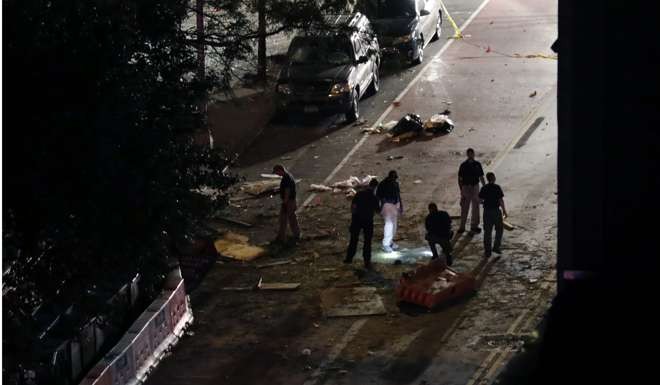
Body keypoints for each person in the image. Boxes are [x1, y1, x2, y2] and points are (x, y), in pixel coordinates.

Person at [344, 179, 380, 269]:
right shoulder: (374, 198)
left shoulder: (359, 194)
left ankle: (349, 258)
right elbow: (378, 211)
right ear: (375, 187)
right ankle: (367, 262)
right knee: (367, 242)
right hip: (368, 221)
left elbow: (353, 207)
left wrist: (354, 216)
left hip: (357, 220)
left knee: (353, 240)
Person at [479, 172, 508, 258]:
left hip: (487, 212)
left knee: (487, 231)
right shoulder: (497, 187)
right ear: (494, 178)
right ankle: (496, 247)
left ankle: (487, 251)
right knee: (499, 229)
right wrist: (504, 210)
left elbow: (480, 200)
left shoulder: (484, 188)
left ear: (487, 179)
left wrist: (485, 203)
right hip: (496, 211)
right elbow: (501, 200)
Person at [458, 148, 486, 234]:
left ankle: (474, 226)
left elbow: (481, 176)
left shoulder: (477, 164)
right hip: (466, 187)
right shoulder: (463, 165)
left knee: (476, 207)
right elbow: (460, 179)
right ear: (467, 155)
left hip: (475, 187)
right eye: (469, 154)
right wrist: (461, 190)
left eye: (472, 154)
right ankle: (462, 226)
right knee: (464, 207)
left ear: (473, 154)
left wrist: (484, 187)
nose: (470, 155)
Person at [272, 164, 300, 243]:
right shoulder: (287, 176)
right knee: (290, 218)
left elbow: (287, 191)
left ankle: (282, 237)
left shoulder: (286, 178)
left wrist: (285, 202)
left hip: (289, 202)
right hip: (290, 201)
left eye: (277, 172)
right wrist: (279, 190)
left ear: (280, 170)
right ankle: (294, 234)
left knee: (285, 219)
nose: (277, 174)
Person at [376, 170, 403, 253]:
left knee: (394, 225)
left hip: (394, 205)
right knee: (389, 224)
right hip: (386, 205)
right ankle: (386, 244)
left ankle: (390, 241)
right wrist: (379, 207)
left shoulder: (395, 184)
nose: (394, 179)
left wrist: (400, 205)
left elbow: (398, 195)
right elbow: (378, 196)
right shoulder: (383, 184)